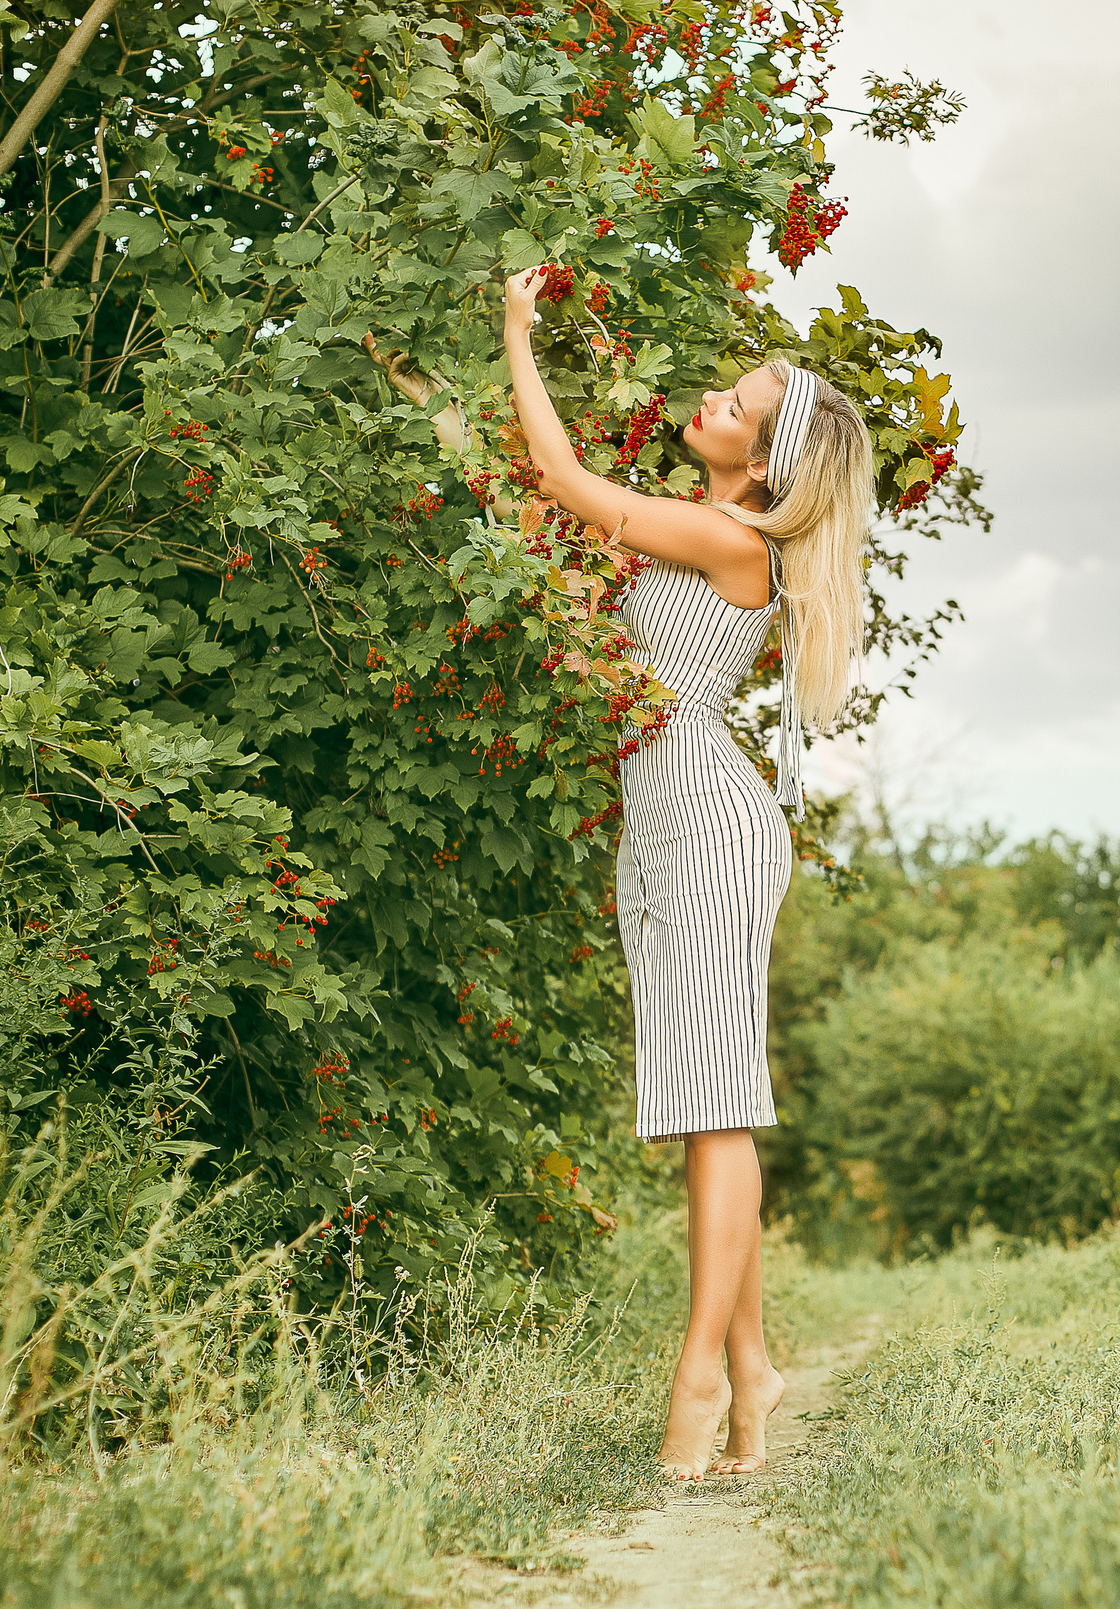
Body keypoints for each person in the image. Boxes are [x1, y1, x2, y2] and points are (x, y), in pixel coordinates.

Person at [365, 265, 870, 1479]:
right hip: (661, 820)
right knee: (706, 1095)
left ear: (764, 463)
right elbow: (534, 504)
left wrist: (516, 331)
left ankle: (698, 1375)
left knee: (718, 1105)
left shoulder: (727, 535)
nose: (708, 399)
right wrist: (428, 386)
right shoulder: (699, 529)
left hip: (704, 820)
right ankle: (751, 1369)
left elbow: (559, 480)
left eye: (734, 404)